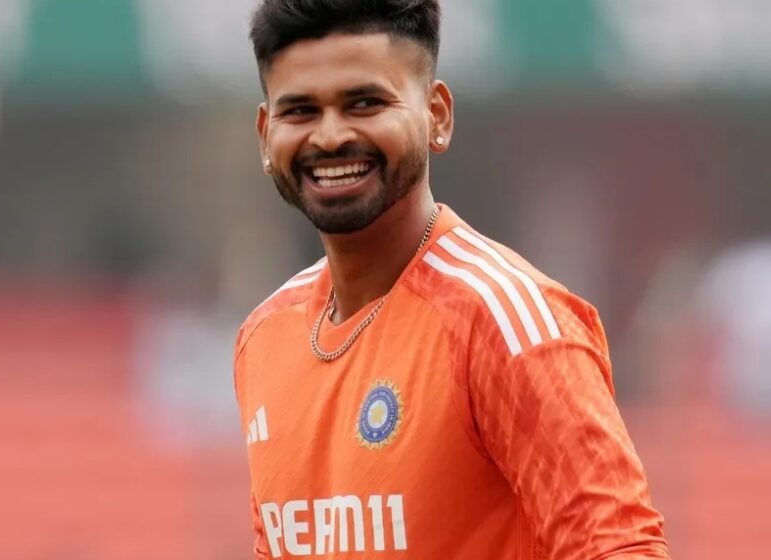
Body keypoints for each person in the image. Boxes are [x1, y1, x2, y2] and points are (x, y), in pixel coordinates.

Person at [233, 1, 670, 558]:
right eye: (300, 111)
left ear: (436, 115)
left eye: (365, 103)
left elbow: (620, 546)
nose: (331, 136)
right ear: (265, 134)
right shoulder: (265, 337)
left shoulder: (503, 320)